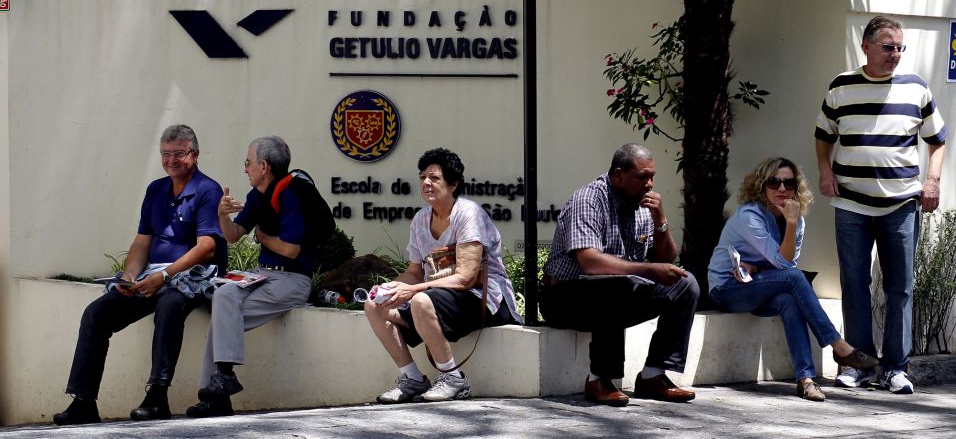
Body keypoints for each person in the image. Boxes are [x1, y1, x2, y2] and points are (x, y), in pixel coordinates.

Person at [54, 124, 226, 425]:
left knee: (170, 304)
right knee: (96, 313)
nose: (171, 160)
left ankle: (157, 397)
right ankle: (83, 402)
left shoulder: (207, 190)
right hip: (152, 276)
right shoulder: (156, 190)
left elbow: (207, 247)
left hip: (192, 278)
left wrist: (166, 276)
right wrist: (130, 276)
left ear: (195, 155)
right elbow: (142, 242)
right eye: (165, 153)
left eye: (179, 153)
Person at [816, 15, 948, 394]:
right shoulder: (841, 86)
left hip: (901, 206)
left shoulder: (916, 88)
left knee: (899, 288)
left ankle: (895, 369)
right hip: (851, 205)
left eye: (899, 48)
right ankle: (858, 365)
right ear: (866, 47)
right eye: (888, 47)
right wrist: (825, 170)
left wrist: (933, 181)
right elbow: (824, 135)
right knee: (854, 284)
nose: (895, 54)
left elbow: (937, 140)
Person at [707, 157, 879, 401]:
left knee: (789, 299)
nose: (781, 188)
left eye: (788, 183)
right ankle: (838, 345)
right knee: (794, 278)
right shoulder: (749, 216)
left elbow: (785, 264)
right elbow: (785, 266)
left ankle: (805, 380)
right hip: (728, 289)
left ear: (796, 188)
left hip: (758, 288)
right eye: (774, 182)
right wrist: (790, 224)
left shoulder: (797, 219)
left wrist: (758, 264)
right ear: (761, 186)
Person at [186, 135, 334, 417]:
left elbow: (291, 250)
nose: (245, 169)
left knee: (222, 319)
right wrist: (221, 215)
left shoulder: (291, 193)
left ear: (264, 166)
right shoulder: (256, 196)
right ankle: (223, 379)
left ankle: (216, 396)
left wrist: (263, 237)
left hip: (292, 280)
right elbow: (232, 236)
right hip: (263, 276)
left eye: (248, 163)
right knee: (224, 294)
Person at [542, 143, 698, 407]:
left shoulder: (643, 206)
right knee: (613, 285)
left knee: (685, 284)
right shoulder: (589, 200)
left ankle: (652, 375)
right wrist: (648, 269)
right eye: (642, 177)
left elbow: (666, 260)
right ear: (618, 174)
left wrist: (661, 221)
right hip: (564, 297)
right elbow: (590, 262)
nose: (649, 184)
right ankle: (599, 379)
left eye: (652, 177)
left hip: (615, 293)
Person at [364, 148, 522, 403]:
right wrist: (390, 287)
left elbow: (466, 278)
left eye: (434, 178)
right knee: (374, 305)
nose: (426, 183)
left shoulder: (468, 213)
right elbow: (414, 272)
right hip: (438, 298)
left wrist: (413, 290)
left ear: (453, 183)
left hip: (484, 298)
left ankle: (453, 379)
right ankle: (412, 378)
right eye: (423, 177)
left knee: (420, 300)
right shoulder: (420, 219)